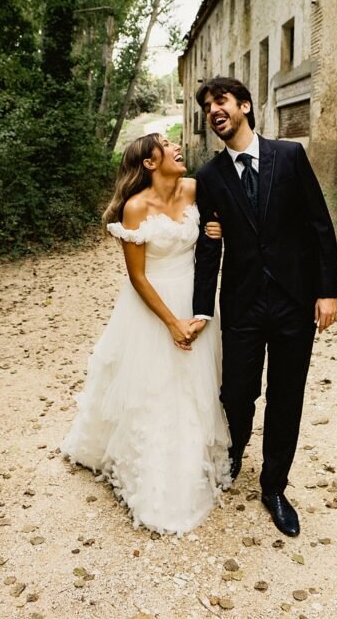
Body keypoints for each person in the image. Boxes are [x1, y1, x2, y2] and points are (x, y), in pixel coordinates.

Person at [191, 75, 337, 537]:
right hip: (242, 303)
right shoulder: (210, 177)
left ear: (246, 106)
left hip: (295, 302)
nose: (215, 110)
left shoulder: (289, 156)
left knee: (286, 396)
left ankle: (274, 485)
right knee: (236, 391)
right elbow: (208, 248)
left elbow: (319, 225)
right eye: (209, 106)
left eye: (222, 101)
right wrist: (201, 310)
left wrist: (327, 291)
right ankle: (235, 452)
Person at [61, 133, 231, 536]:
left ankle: (192, 460)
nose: (178, 147)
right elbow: (137, 277)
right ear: (151, 163)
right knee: (156, 389)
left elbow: (227, 218)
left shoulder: (194, 187)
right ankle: (155, 481)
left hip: (196, 298)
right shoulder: (136, 209)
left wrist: (217, 229)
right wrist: (172, 322)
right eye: (167, 144)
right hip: (154, 305)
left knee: (194, 387)